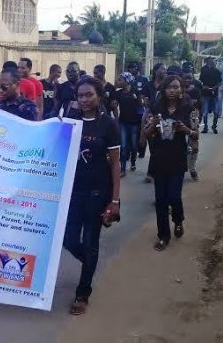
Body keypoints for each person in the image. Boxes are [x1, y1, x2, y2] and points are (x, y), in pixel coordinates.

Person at [63, 77, 120, 315]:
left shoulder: (108, 125)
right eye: (80, 95)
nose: (84, 99)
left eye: (89, 95)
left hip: (98, 191)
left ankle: (83, 293)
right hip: (73, 190)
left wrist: (115, 200)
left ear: (99, 96)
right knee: (69, 239)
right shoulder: (70, 121)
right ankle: (90, 261)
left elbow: (116, 166)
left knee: (90, 240)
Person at [144, 75, 197, 251]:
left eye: (176, 87)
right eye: (169, 87)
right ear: (164, 90)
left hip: (178, 160)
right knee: (160, 200)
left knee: (174, 197)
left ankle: (178, 220)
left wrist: (186, 130)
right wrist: (153, 124)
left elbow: (196, 135)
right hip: (159, 159)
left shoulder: (188, 109)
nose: (173, 90)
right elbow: (146, 133)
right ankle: (163, 236)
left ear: (182, 89)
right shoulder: (155, 108)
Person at [140, 63, 167, 183]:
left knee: (161, 146)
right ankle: (152, 172)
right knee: (153, 145)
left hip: (164, 116)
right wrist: (144, 100)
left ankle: (155, 172)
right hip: (150, 115)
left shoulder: (167, 84)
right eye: (162, 69)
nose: (164, 71)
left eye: (165, 69)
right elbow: (142, 96)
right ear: (156, 71)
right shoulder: (149, 84)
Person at [115, 72, 142, 176]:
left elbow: (141, 105)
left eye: (120, 80)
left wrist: (138, 99)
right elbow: (114, 106)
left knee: (134, 145)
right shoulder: (118, 93)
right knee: (123, 146)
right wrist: (116, 120)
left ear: (127, 81)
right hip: (123, 122)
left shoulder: (135, 91)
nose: (118, 81)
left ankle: (133, 162)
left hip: (135, 123)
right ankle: (122, 169)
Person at [182, 63, 202, 180]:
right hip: (180, 121)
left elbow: (199, 107)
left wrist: (196, 123)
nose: (188, 80)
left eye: (190, 77)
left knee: (194, 146)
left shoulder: (196, 91)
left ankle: (192, 168)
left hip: (193, 120)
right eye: (185, 78)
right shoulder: (177, 90)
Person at [127, 61, 149, 158]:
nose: (132, 69)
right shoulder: (128, 79)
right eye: (130, 68)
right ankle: (131, 151)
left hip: (141, 109)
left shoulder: (144, 79)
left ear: (137, 68)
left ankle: (141, 150)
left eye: (133, 67)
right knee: (131, 132)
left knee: (142, 130)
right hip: (130, 109)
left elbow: (147, 93)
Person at [199, 57, 222, 134]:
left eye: (213, 61)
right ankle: (205, 127)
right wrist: (203, 86)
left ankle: (214, 126)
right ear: (207, 61)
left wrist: (214, 88)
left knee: (216, 112)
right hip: (205, 93)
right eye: (210, 60)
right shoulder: (203, 69)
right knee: (204, 112)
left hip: (214, 94)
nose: (211, 62)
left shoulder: (217, 71)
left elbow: (220, 82)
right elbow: (201, 80)